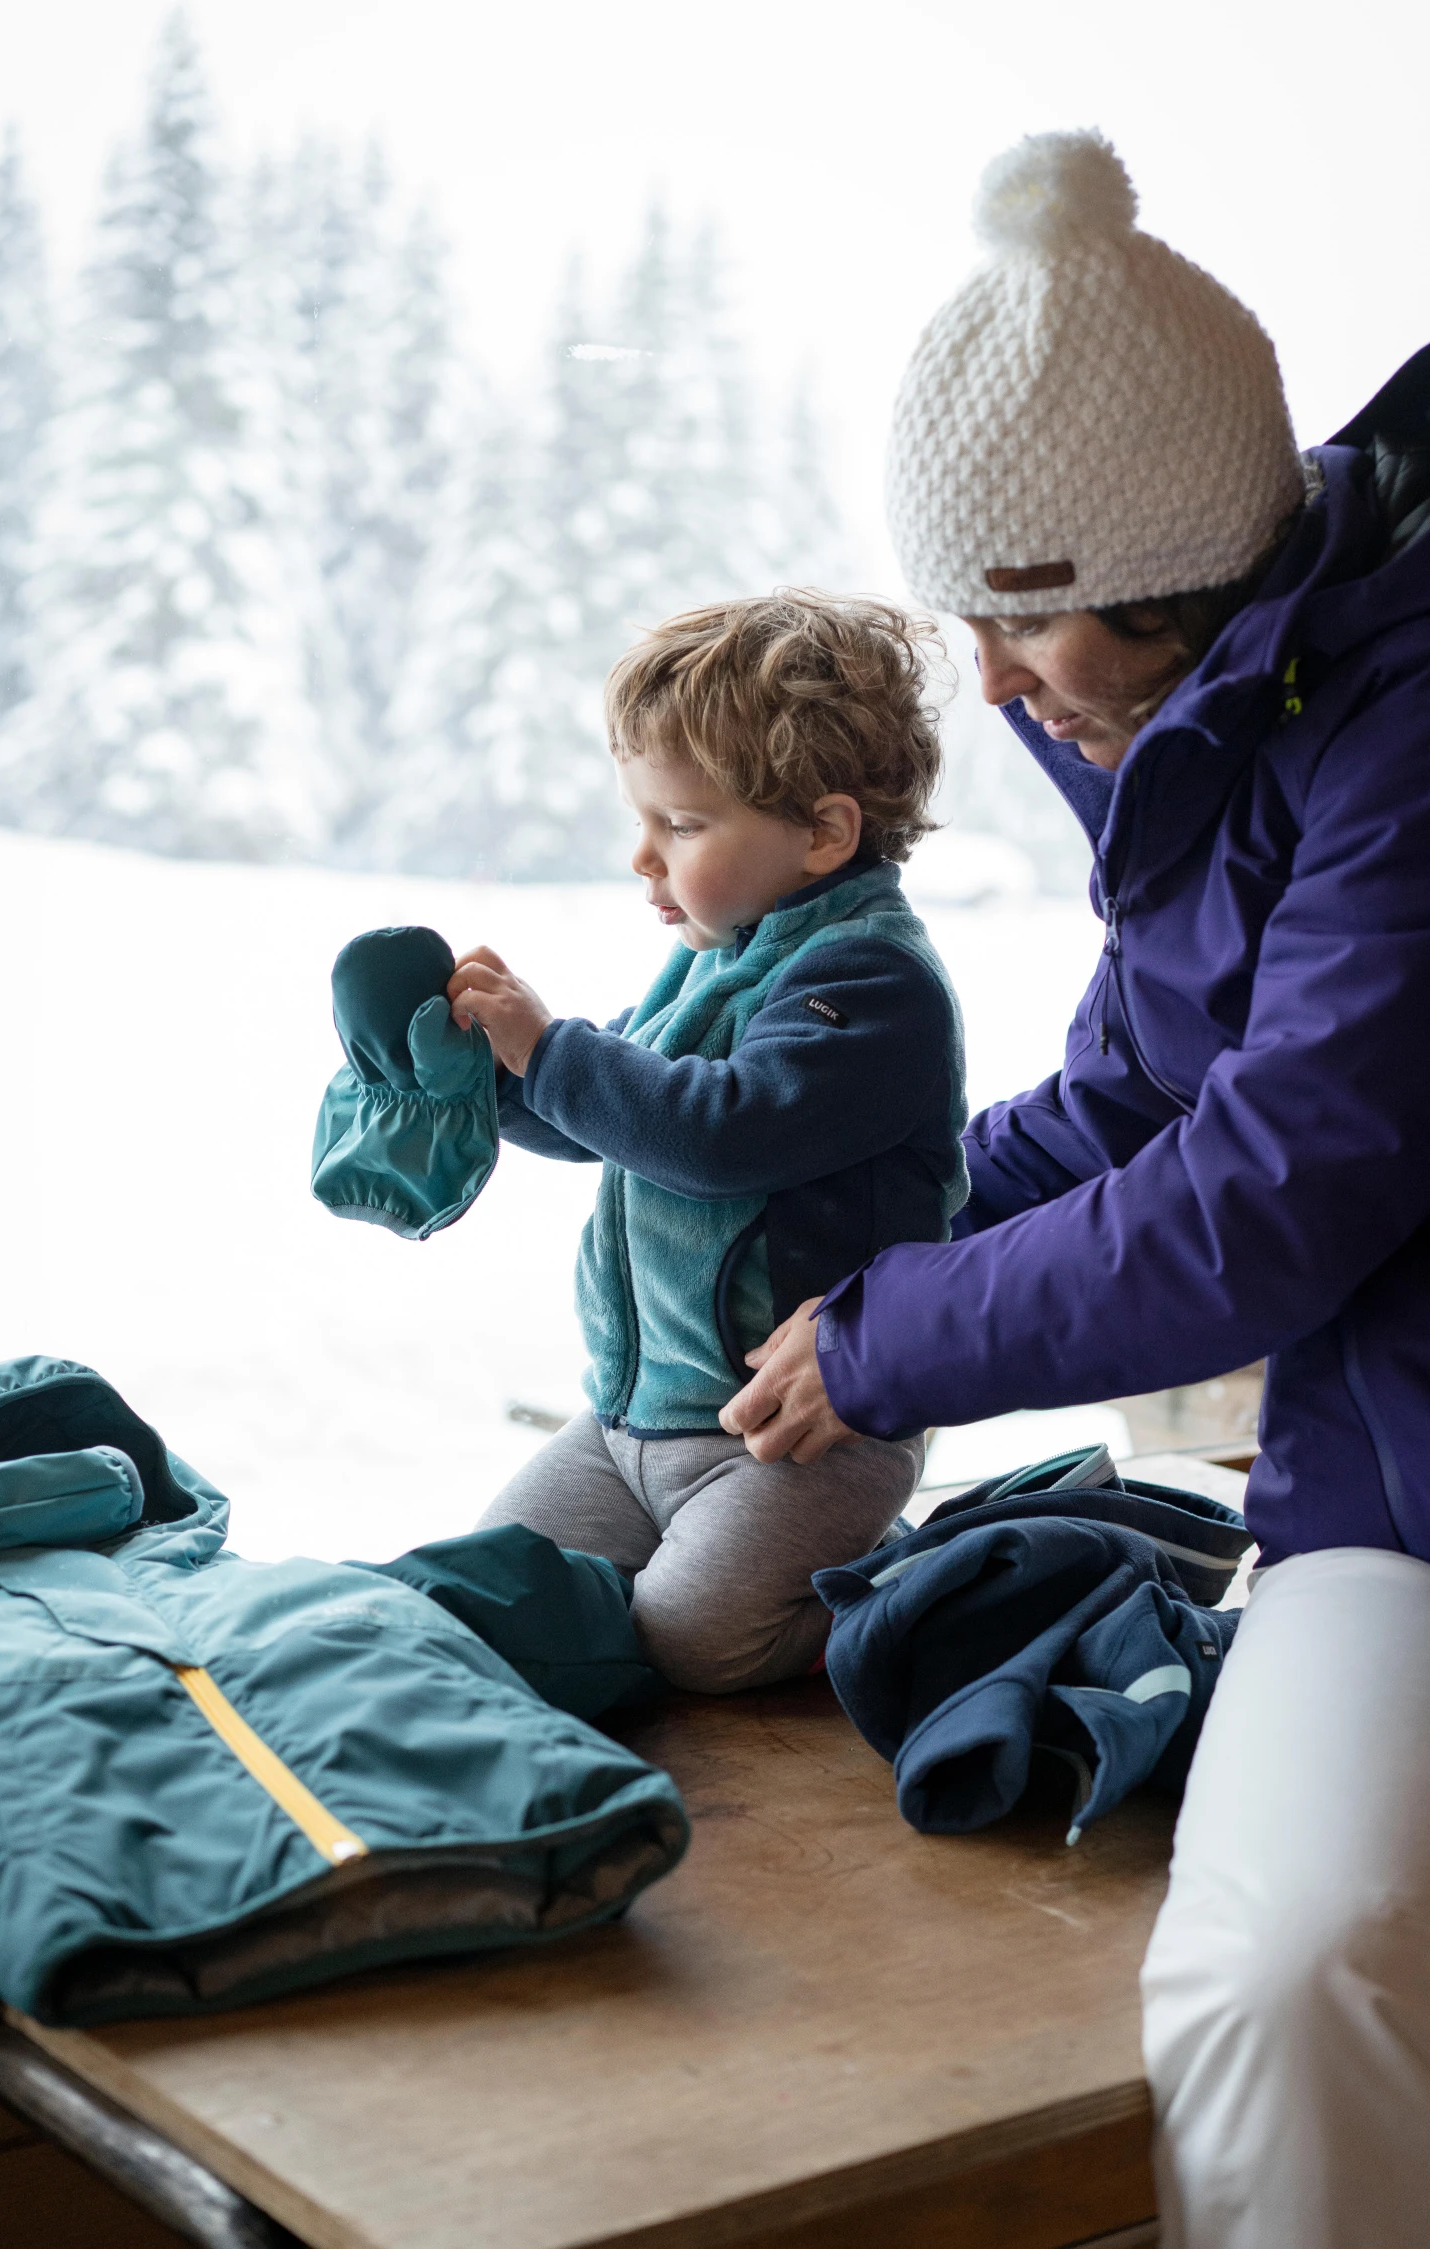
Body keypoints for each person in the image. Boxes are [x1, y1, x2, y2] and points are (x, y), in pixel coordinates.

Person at [720, 131, 1430, 2249]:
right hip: (1390, 1465)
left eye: (1017, 616)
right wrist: (849, 1239)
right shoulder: (1232, 713)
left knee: (1295, 1966)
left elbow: (1268, 1193)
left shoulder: (1400, 733)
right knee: (1283, 1967)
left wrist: (894, 1339)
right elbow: (1136, 1085)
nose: (992, 678)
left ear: (1172, 574)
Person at [447, 592, 967, 1693]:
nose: (643, 856)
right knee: (489, 1588)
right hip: (630, 1423)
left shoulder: (872, 982)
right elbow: (617, 1119)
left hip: (794, 1437)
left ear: (824, 833)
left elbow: (717, 1132)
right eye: (643, 819)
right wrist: (489, 1078)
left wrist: (549, 1047)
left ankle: (905, 1585)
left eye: (681, 825)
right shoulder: (712, 955)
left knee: (692, 1639)